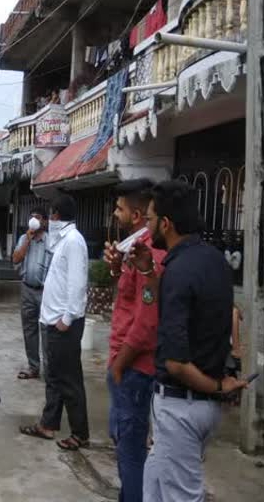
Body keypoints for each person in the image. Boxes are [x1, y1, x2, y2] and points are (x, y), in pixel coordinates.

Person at [130, 181, 247, 502]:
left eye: (151, 219)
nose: (147, 226)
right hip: (199, 407)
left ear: (166, 224)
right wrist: (149, 274)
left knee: (180, 495)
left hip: (182, 405)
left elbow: (176, 363)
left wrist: (220, 388)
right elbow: (220, 319)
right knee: (153, 485)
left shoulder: (180, 271)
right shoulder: (215, 262)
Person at [103, 179, 166, 502]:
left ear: (137, 214)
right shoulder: (133, 247)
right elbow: (130, 299)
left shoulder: (148, 252)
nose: (115, 214)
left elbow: (146, 319)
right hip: (127, 364)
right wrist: (116, 269)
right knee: (125, 441)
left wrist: (119, 365)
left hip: (133, 367)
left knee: (130, 449)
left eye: (120, 209)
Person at [19, 194, 90, 451]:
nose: (47, 221)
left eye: (50, 215)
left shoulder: (73, 241)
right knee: (55, 377)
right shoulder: (62, 240)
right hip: (53, 320)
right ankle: (48, 424)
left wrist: (68, 318)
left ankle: (80, 433)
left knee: (69, 380)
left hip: (64, 323)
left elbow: (77, 284)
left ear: (57, 216)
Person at [12, 208, 50, 380]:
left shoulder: (50, 241)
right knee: (29, 330)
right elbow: (16, 259)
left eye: (38, 217)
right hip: (27, 289)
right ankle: (33, 367)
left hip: (45, 291)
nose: (34, 220)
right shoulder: (23, 238)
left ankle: (49, 371)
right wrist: (28, 238)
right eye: (32, 217)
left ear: (45, 222)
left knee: (46, 330)